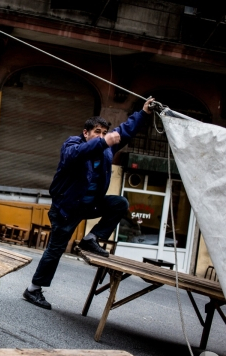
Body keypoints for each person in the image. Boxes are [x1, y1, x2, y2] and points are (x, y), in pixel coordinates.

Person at [22, 97, 155, 310]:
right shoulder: (73, 144)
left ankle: (91, 238)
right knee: (55, 250)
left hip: (89, 206)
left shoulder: (107, 150)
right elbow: (74, 155)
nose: (101, 136)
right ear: (86, 133)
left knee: (119, 203)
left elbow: (127, 130)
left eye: (104, 133)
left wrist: (144, 112)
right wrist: (104, 141)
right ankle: (33, 289)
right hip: (66, 209)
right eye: (97, 132)